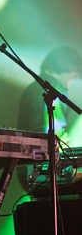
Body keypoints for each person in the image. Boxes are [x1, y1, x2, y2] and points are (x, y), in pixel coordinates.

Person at [17, 45, 82, 191]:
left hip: (28, 168)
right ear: (67, 66)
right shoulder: (53, 89)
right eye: (72, 77)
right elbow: (57, 136)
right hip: (44, 169)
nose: (69, 84)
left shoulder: (33, 88)